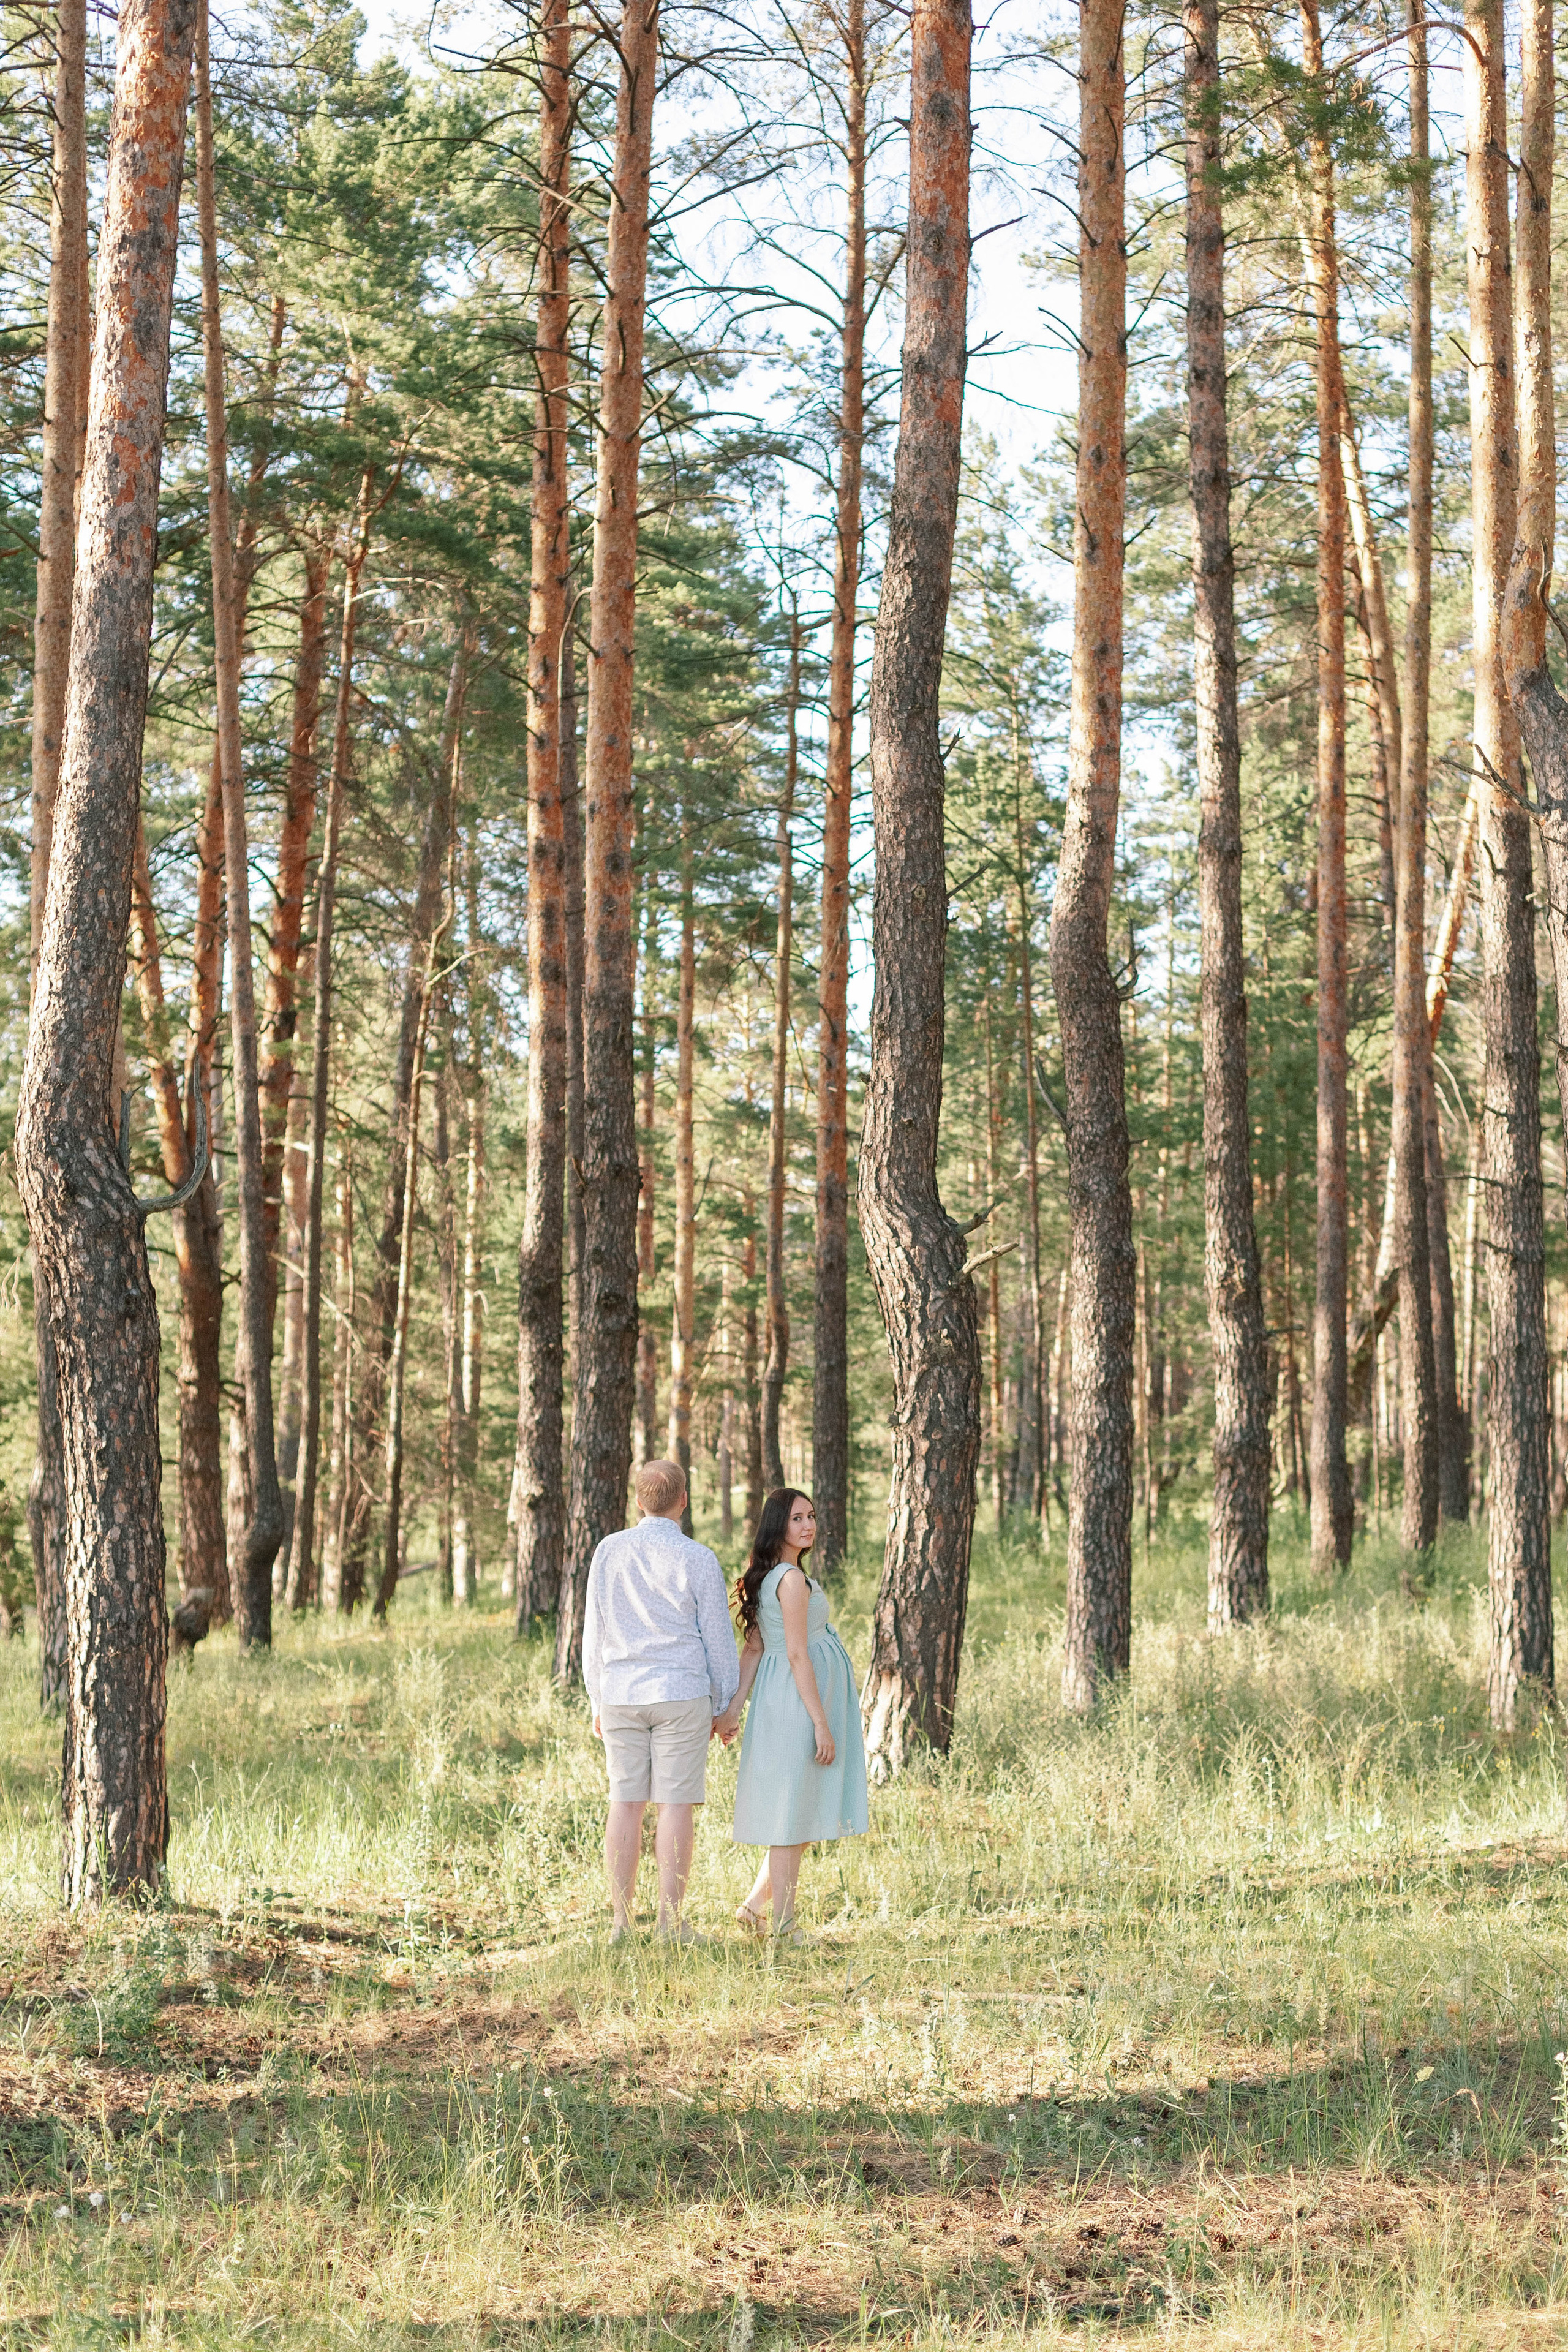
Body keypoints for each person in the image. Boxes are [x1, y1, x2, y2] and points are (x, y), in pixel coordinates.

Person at [583, 1458, 739, 1944]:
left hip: (623, 1694)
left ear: (638, 1501)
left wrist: (596, 1698)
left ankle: (621, 1924)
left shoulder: (609, 1551)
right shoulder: (698, 1557)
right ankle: (671, 1924)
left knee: (625, 1803)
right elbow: (717, 1637)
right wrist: (725, 1702)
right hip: (680, 1693)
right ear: (684, 1500)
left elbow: (595, 1631)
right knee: (675, 1805)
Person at [714, 1488, 868, 1942]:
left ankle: (753, 1908)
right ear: (778, 1524)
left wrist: (733, 1710)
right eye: (797, 1518)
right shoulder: (791, 1580)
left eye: (812, 1516)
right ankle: (783, 1926)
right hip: (799, 1704)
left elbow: (756, 1648)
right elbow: (797, 1654)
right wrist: (820, 1722)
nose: (809, 1525)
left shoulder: (767, 1576)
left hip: (782, 1699)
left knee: (795, 1810)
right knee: (789, 1817)